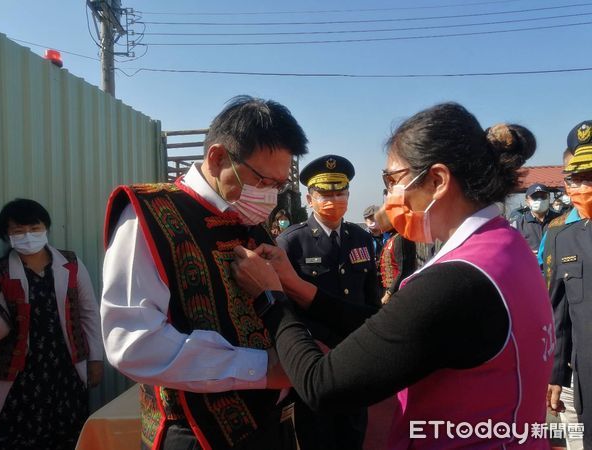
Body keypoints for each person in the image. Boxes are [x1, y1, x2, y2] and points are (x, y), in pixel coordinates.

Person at [232, 102, 554, 448]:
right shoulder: (506, 246)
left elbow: (322, 386)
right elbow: (392, 329)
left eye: (393, 181)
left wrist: (271, 298)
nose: (389, 198)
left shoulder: (457, 280)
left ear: (437, 180)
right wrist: (299, 288)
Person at [101, 96, 308, 450]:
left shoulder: (247, 218)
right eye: (263, 181)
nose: (271, 197)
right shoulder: (149, 215)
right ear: (217, 157)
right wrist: (263, 368)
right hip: (197, 434)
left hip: (268, 425)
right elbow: (133, 343)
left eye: (279, 186)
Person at [275, 154, 377, 450]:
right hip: (315, 359)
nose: (334, 199)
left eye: (340, 192)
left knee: (353, 431)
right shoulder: (291, 242)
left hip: (355, 354)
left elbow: (370, 295)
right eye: (325, 193)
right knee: (315, 435)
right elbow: (285, 306)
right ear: (309, 198)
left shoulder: (360, 237)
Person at [0, 198, 104, 450]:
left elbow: (88, 313)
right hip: (19, 375)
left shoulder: (70, 264)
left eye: (34, 228)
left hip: (66, 368)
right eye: (17, 231)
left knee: (70, 435)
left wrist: (95, 359)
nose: (27, 236)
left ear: (45, 228)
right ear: (6, 236)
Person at [544, 120, 592, 449]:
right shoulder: (565, 238)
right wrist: (556, 375)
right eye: (578, 178)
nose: (583, 186)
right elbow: (559, 315)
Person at [511, 183, 561, 255]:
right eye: (535, 197)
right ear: (527, 201)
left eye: (543, 196)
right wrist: (524, 253)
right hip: (530, 264)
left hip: (554, 264)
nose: (539, 200)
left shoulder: (560, 220)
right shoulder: (518, 224)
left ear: (549, 199)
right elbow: (512, 249)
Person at [363, 204, 386, 299]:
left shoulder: (391, 235)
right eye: (371, 219)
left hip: (387, 277)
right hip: (370, 277)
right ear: (365, 221)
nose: (375, 222)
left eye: (377, 218)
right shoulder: (362, 237)